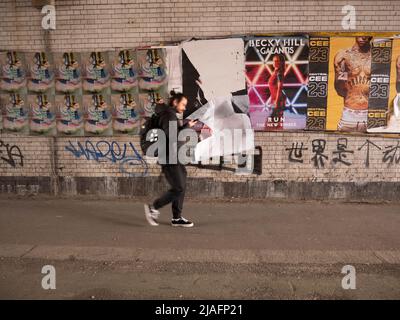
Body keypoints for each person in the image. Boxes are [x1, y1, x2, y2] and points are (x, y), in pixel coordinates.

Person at [144, 91, 197, 227]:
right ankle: (154, 207)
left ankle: (176, 218)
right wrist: (186, 128)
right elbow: (173, 137)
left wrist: (186, 126)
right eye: (183, 104)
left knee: (182, 183)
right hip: (168, 156)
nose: (184, 108)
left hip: (173, 155)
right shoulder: (168, 115)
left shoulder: (170, 115)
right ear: (175, 102)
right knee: (178, 187)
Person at [334, 37, 372, 132]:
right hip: (349, 114)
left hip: (370, 115)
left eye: (366, 34)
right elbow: (340, 91)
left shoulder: (377, 57)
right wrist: (339, 71)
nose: (363, 37)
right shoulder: (344, 55)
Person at [265, 54, 286, 130]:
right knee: (275, 122)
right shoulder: (276, 71)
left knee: (274, 122)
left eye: (277, 61)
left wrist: (276, 102)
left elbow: (280, 88)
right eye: (274, 61)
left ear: (281, 63)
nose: (274, 62)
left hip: (278, 100)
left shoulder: (279, 73)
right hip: (275, 99)